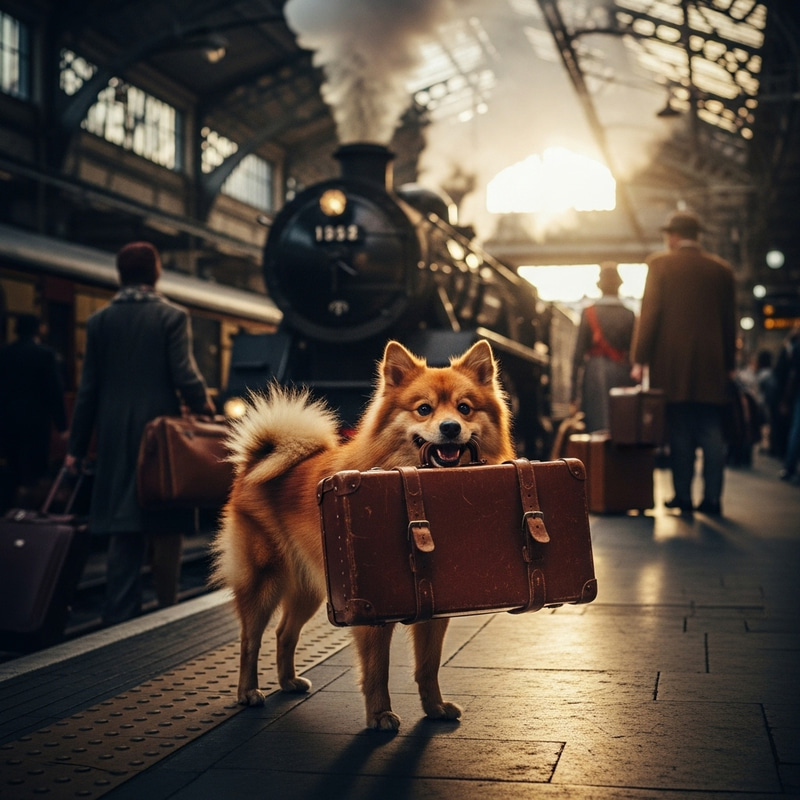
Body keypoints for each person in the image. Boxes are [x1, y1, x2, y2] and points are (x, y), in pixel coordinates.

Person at [66, 242, 215, 625]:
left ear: (120, 274)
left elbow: (88, 390)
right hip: (161, 438)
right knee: (164, 519)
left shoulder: (100, 322)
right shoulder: (171, 316)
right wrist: (204, 410)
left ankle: (118, 615)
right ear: (156, 272)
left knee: (122, 525)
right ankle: (166, 611)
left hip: (115, 437)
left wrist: (76, 448)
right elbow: (184, 374)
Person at [631, 210, 736, 517]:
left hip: (672, 364)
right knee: (711, 431)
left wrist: (640, 359)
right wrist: (729, 362)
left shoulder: (660, 264)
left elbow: (650, 314)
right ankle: (714, 499)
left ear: (673, 236)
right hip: (712, 365)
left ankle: (683, 497)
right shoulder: (722, 270)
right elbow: (729, 323)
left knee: (679, 431)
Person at [0, 313, 68, 511]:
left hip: (8, 421)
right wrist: (62, 425)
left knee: (12, 466)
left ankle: (8, 510)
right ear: (39, 329)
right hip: (36, 422)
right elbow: (54, 391)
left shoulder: (5, 353)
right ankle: (28, 510)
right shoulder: (46, 354)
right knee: (35, 470)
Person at [570, 263, 636, 432]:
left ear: (599, 286)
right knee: (622, 425)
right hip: (623, 373)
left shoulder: (589, 313)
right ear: (619, 286)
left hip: (594, 374)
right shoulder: (629, 315)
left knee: (597, 425)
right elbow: (635, 354)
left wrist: (573, 395)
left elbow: (578, 356)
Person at [778, 330, 800, 483]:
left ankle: (789, 467)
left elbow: (793, 374)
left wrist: (786, 399)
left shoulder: (796, 348)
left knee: (797, 431)